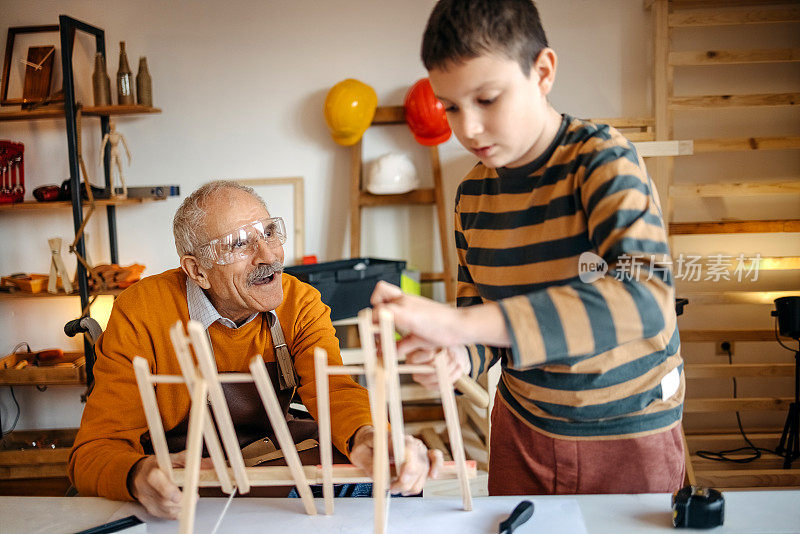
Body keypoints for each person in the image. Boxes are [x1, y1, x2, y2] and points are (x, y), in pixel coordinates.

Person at [372, 0, 684, 496]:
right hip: (522, 431)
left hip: (627, 430)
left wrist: (457, 325)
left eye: (488, 99)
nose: (467, 128)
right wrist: (457, 354)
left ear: (542, 73)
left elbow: (645, 298)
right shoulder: (472, 194)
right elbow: (481, 315)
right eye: (450, 106)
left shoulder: (602, 161)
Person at [69, 180, 442, 518]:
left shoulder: (300, 301)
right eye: (239, 244)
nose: (269, 256)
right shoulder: (142, 311)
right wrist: (138, 476)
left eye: (268, 233)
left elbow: (335, 390)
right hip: (186, 478)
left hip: (271, 456)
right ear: (197, 271)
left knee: (390, 487)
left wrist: (367, 435)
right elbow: (94, 451)